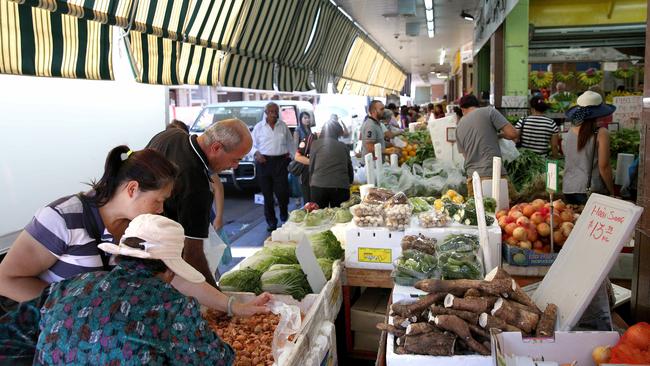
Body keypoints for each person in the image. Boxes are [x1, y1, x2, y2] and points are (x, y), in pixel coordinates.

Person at [30, 214, 248, 365]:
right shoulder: (172, 306)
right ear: (170, 270)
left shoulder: (69, 286)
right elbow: (216, 360)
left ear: (121, 254)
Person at [0, 145, 177, 303]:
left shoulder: (141, 228)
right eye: (158, 200)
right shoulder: (61, 218)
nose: (161, 209)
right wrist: (67, 308)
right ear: (132, 189)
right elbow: (6, 279)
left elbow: (176, 273)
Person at [147, 119, 253, 287]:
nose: (235, 166)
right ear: (216, 148)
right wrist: (218, 297)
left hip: (137, 243)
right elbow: (193, 255)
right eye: (235, 159)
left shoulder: (171, 135)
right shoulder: (197, 186)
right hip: (164, 263)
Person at [456, 95, 519, 194]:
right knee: (508, 208)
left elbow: (465, 155)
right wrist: (500, 135)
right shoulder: (489, 111)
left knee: (477, 209)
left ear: (463, 109)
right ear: (477, 105)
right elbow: (513, 134)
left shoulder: (459, 125)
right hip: (493, 175)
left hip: (472, 179)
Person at [562, 91, 616, 205]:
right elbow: (604, 167)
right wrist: (612, 192)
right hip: (591, 189)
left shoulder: (569, 132)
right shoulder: (601, 133)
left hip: (568, 188)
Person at [252, 102, 295, 232]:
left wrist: (294, 159)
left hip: (281, 162)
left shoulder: (283, 126)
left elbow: (290, 143)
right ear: (266, 113)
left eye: (276, 111)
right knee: (268, 195)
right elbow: (251, 145)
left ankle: (283, 215)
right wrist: (256, 153)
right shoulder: (259, 127)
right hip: (264, 163)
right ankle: (271, 222)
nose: (274, 114)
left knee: (282, 193)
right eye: (271, 111)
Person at [309, 124, 354, 208]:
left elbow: (311, 167)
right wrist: (350, 182)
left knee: (318, 216)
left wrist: (312, 183)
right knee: (341, 217)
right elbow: (349, 168)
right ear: (337, 134)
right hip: (340, 186)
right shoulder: (343, 146)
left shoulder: (315, 144)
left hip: (318, 186)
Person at [293, 112, 316, 204]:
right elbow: (295, 146)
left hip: (311, 158)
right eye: (305, 118)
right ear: (301, 119)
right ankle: (303, 201)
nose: (307, 120)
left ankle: (311, 202)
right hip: (302, 158)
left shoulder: (311, 129)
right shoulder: (298, 130)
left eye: (308, 118)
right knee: (304, 182)